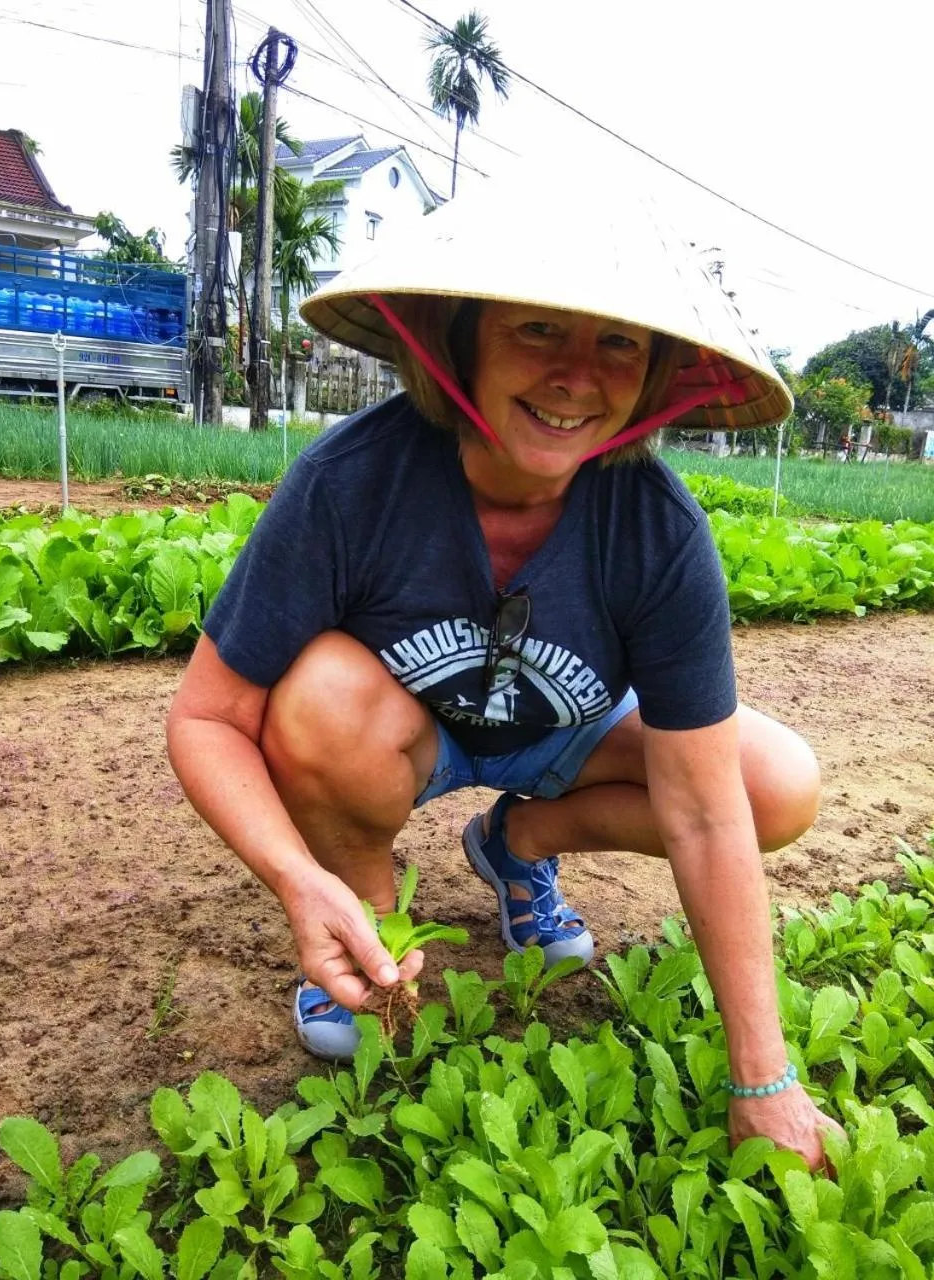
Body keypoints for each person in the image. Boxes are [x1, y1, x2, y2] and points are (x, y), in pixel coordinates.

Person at [166, 180, 845, 1172]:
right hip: (404, 732)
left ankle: (517, 841)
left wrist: (764, 1077)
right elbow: (209, 717)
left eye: (618, 342)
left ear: (654, 373)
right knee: (315, 698)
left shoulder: (657, 528)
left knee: (773, 784)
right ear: (463, 338)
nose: (578, 375)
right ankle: (363, 935)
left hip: (565, 727)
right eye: (538, 329)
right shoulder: (353, 483)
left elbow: (704, 810)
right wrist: (296, 879)